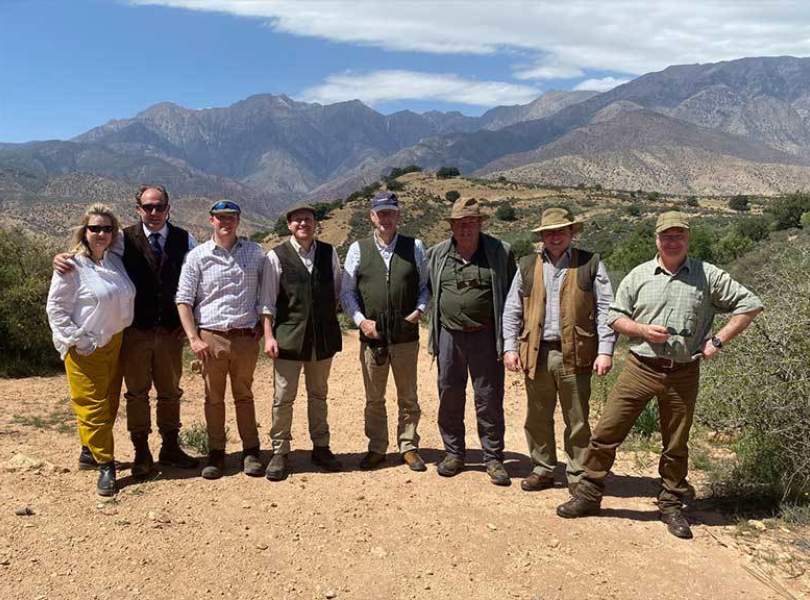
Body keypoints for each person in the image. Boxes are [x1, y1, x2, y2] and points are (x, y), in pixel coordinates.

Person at [556, 211, 763, 539]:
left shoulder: (707, 276)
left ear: (688, 239)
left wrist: (718, 341)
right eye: (667, 235)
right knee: (606, 432)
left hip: (683, 372)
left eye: (679, 235)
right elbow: (614, 316)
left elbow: (750, 304)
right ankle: (588, 495)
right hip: (640, 367)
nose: (673, 240)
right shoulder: (639, 275)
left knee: (676, 443)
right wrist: (640, 329)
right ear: (657, 239)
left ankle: (671, 504)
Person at [53, 185, 198, 478]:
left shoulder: (186, 239)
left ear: (169, 208)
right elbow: (90, 248)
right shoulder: (121, 239)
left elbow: (198, 280)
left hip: (170, 332)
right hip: (135, 333)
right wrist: (60, 257)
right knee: (136, 393)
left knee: (170, 392)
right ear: (138, 209)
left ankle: (170, 446)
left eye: (159, 207)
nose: (154, 213)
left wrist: (192, 326)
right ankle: (141, 451)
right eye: (148, 207)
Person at [502, 207, 615, 494]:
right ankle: (543, 469)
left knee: (577, 418)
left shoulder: (590, 263)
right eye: (549, 232)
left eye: (560, 231)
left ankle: (577, 473)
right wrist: (510, 347)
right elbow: (512, 310)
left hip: (575, 352)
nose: (555, 237)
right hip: (536, 352)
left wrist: (605, 350)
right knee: (537, 416)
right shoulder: (527, 265)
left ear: (571, 233)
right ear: (541, 236)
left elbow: (606, 309)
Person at [46, 203, 136, 496]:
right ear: (84, 231)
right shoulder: (72, 266)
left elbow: (130, 235)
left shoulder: (113, 259)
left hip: (114, 339)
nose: (101, 233)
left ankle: (89, 450)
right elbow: (56, 308)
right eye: (94, 228)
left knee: (109, 399)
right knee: (92, 405)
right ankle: (106, 464)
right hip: (86, 346)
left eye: (107, 228)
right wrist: (76, 339)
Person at [427, 197, 517, 486]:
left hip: (486, 335)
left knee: (488, 397)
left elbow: (515, 295)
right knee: (449, 394)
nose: (465, 228)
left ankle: (492, 457)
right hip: (449, 335)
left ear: (480, 224)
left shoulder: (500, 252)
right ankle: (454, 453)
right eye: (459, 223)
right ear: (452, 226)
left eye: (471, 222)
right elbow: (425, 289)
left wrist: (514, 339)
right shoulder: (437, 254)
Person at [176, 200, 266, 480]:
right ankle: (216, 452)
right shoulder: (197, 256)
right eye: (220, 217)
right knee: (213, 398)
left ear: (239, 220)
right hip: (210, 338)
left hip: (245, 337)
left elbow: (267, 294)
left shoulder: (256, 253)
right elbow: (183, 300)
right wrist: (194, 338)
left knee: (244, 395)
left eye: (231, 217)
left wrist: (263, 329)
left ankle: (251, 450)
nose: (225, 222)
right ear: (211, 220)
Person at [341, 191, 430, 472]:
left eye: (391, 212)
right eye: (381, 213)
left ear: (398, 215)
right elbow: (347, 291)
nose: (386, 219)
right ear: (371, 216)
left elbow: (425, 286)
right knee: (374, 397)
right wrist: (360, 321)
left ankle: (408, 446)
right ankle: (377, 447)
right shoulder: (358, 249)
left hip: (405, 335)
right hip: (373, 337)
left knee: (408, 395)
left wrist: (420, 310)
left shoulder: (415, 246)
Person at [261, 204, 343, 481]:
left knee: (318, 395)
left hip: (322, 339)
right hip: (288, 339)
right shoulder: (276, 256)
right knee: (283, 397)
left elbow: (336, 292)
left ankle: (321, 446)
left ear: (315, 223)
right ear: (289, 225)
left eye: (307, 219)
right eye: (297, 220)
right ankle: (279, 451)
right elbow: (267, 301)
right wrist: (269, 335)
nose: (303, 224)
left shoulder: (329, 253)